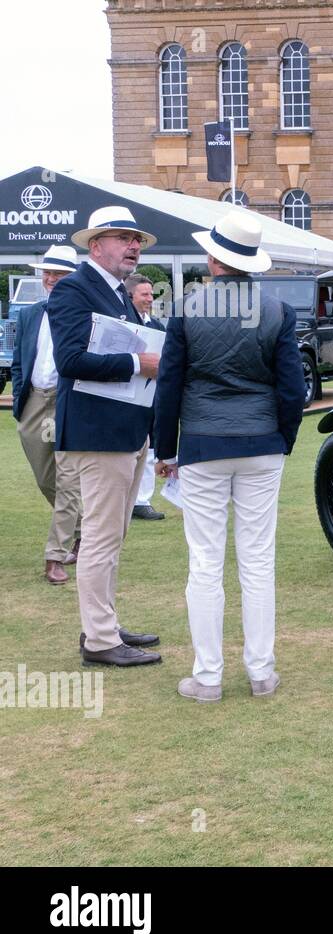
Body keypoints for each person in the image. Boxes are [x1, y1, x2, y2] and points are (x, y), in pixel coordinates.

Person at [153, 209, 304, 701]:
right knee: (258, 559)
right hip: (262, 442)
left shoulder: (185, 309)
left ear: (214, 259)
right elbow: (292, 389)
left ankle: (209, 675)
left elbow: (170, 386)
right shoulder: (278, 312)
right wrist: (283, 439)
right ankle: (261, 671)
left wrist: (165, 448)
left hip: (202, 444)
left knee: (205, 561)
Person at [48, 206, 164, 666]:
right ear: (96, 245)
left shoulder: (117, 294)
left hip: (124, 430)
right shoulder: (74, 290)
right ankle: (99, 640)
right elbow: (70, 361)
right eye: (123, 238)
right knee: (99, 538)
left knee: (111, 536)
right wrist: (140, 364)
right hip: (98, 434)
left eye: (136, 239)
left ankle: (105, 625)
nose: (134, 246)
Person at [11, 245, 83, 585]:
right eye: (46, 272)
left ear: (73, 277)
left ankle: (56, 555)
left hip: (69, 402)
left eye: (57, 272)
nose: (50, 278)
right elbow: (18, 361)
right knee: (46, 479)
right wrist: (20, 402)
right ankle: (83, 529)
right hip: (34, 404)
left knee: (68, 479)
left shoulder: (84, 314)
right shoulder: (28, 315)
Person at [124, 272, 165, 521]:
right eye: (145, 294)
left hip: (151, 398)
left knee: (149, 448)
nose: (150, 298)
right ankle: (124, 500)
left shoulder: (158, 326)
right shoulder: (121, 324)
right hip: (123, 395)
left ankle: (142, 501)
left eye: (151, 293)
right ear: (130, 296)